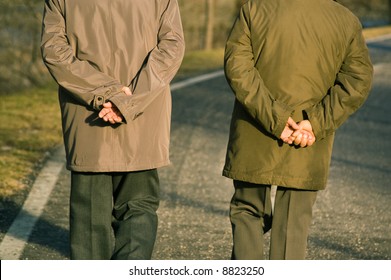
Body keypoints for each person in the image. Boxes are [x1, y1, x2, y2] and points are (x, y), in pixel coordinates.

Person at [223, 0, 373, 260]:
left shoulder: (254, 9)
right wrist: (315, 122)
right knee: (293, 225)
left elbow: (238, 67)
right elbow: (358, 79)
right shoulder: (345, 20)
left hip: (255, 130)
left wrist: (276, 118)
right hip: (307, 140)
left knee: (247, 211)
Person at [41, 0, 185, 260]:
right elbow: (171, 47)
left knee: (89, 218)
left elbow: (54, 50)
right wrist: (128, 100)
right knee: (138, 207)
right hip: (142, 117)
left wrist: (106, 93)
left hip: (88, 116)